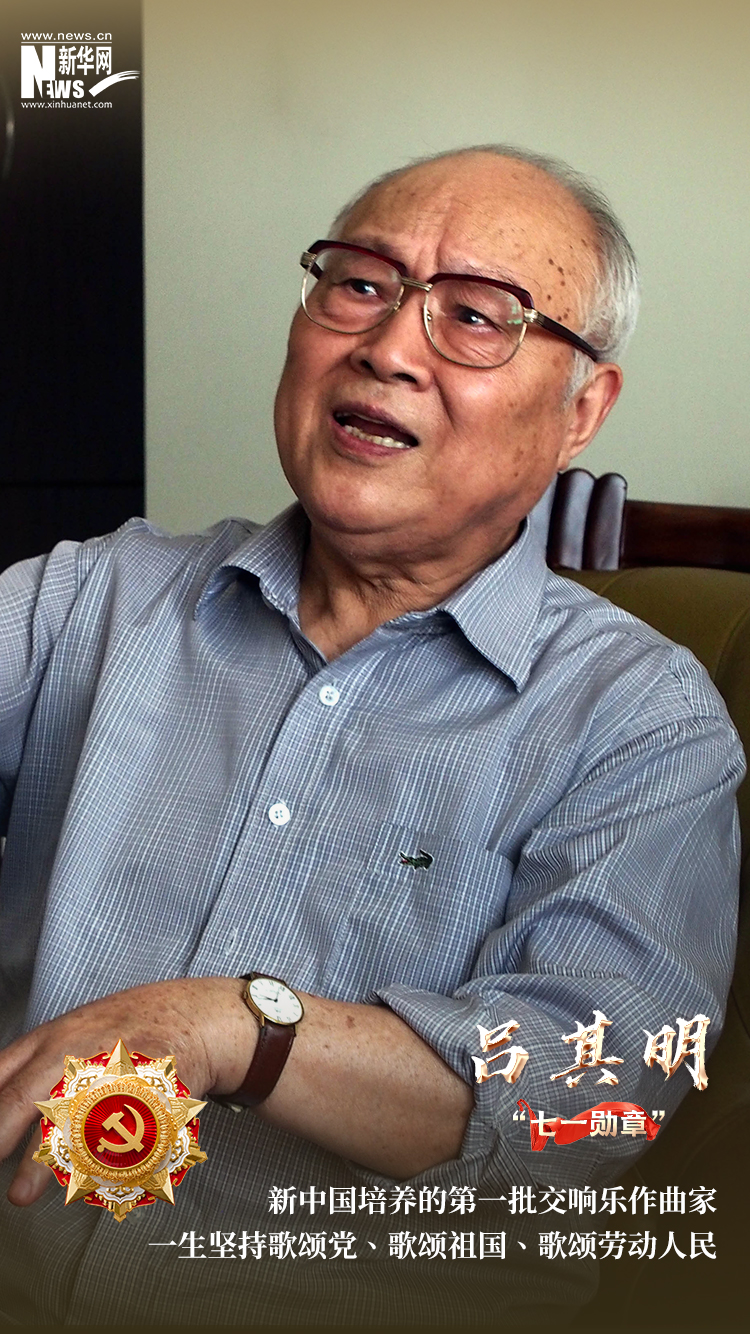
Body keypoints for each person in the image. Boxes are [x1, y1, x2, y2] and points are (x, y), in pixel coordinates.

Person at [0, 145, 743, 1326]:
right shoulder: (89, 600)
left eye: (476, 316)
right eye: (359, 283)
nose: (389, 346)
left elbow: (585, 1096)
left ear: (581, 409)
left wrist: (241, 1025)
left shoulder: (642, 719)